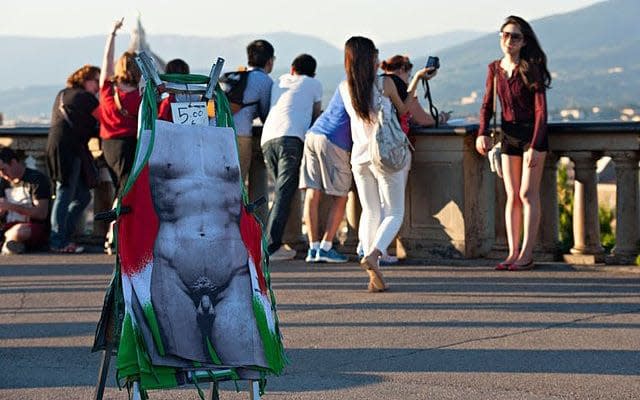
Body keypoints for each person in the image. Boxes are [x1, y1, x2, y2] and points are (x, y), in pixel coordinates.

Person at [340, 36, 437, 292]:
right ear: (370, 58)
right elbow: (405, 111)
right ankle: (375, 255)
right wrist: (416, 80)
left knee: (370, 211)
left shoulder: (343, 87)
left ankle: (374, 273)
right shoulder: (384, 83)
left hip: (359, 156)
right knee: (394, 212)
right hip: (386, 155)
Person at [475, 15, 551, 271]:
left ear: (524, 40)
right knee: (512, 196)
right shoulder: (494, 69)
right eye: (505, 34)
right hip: (508, 136)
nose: (509, 40)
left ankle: (527, 254)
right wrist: (482, 132)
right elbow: (487, 104)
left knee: (528, 194)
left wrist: (536, 146)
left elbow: (541, 111)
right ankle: (513, 252)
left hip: (532, 137)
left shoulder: (532, 68)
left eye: (515, 36)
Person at [261, 54, 322, 260]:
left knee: (280, 194)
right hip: (292, 139)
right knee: (283, 194)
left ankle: (268, 241)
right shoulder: (314, 83)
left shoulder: (280, 81)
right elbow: (315, 116)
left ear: (292, 68)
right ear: (312, 72)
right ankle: (271, 246)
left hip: (267, 138)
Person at [46, 65, 101, 253]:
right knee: (65, 193)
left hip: (58, 146)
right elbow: (104, 119)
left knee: (80, 195)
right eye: (96, 80)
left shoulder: (63, 94)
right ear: (86, 80)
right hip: (70, 150)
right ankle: (58, 240)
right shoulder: (86, 98)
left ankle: (62, 235)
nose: (98, 86)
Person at [299, 87, 352, 263]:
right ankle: (326, 247)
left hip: (314, 134)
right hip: (334, 139)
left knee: (312, 193)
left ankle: (312, 248)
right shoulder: (365, 87)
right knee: (341, 196)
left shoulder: (344, 85)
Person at [97, 18, 142, 197]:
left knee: (120, 187)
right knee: (125, 191)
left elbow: (106, 60)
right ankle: (117, 224)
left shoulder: (108, 88)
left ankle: (116, 223)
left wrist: (112, 34)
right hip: (129, 144)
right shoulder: (138, 95)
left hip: (107, 145)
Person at [234, 40, 275, 205]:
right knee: (239, 184)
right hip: (241, 134)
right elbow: (267, 115)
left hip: (218, 130)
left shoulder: (236, 75)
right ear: (270, 61)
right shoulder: (264, 80)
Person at [0, 147, 52, 255]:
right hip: (7, 225)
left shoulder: (36, 180)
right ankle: (12, 245)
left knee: (19, 231)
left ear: (13, 162)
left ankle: (7, 245)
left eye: (3, 169)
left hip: (31, 226)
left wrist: (11, 206)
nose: (2, 174)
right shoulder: (2, 182)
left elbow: (41, 214)